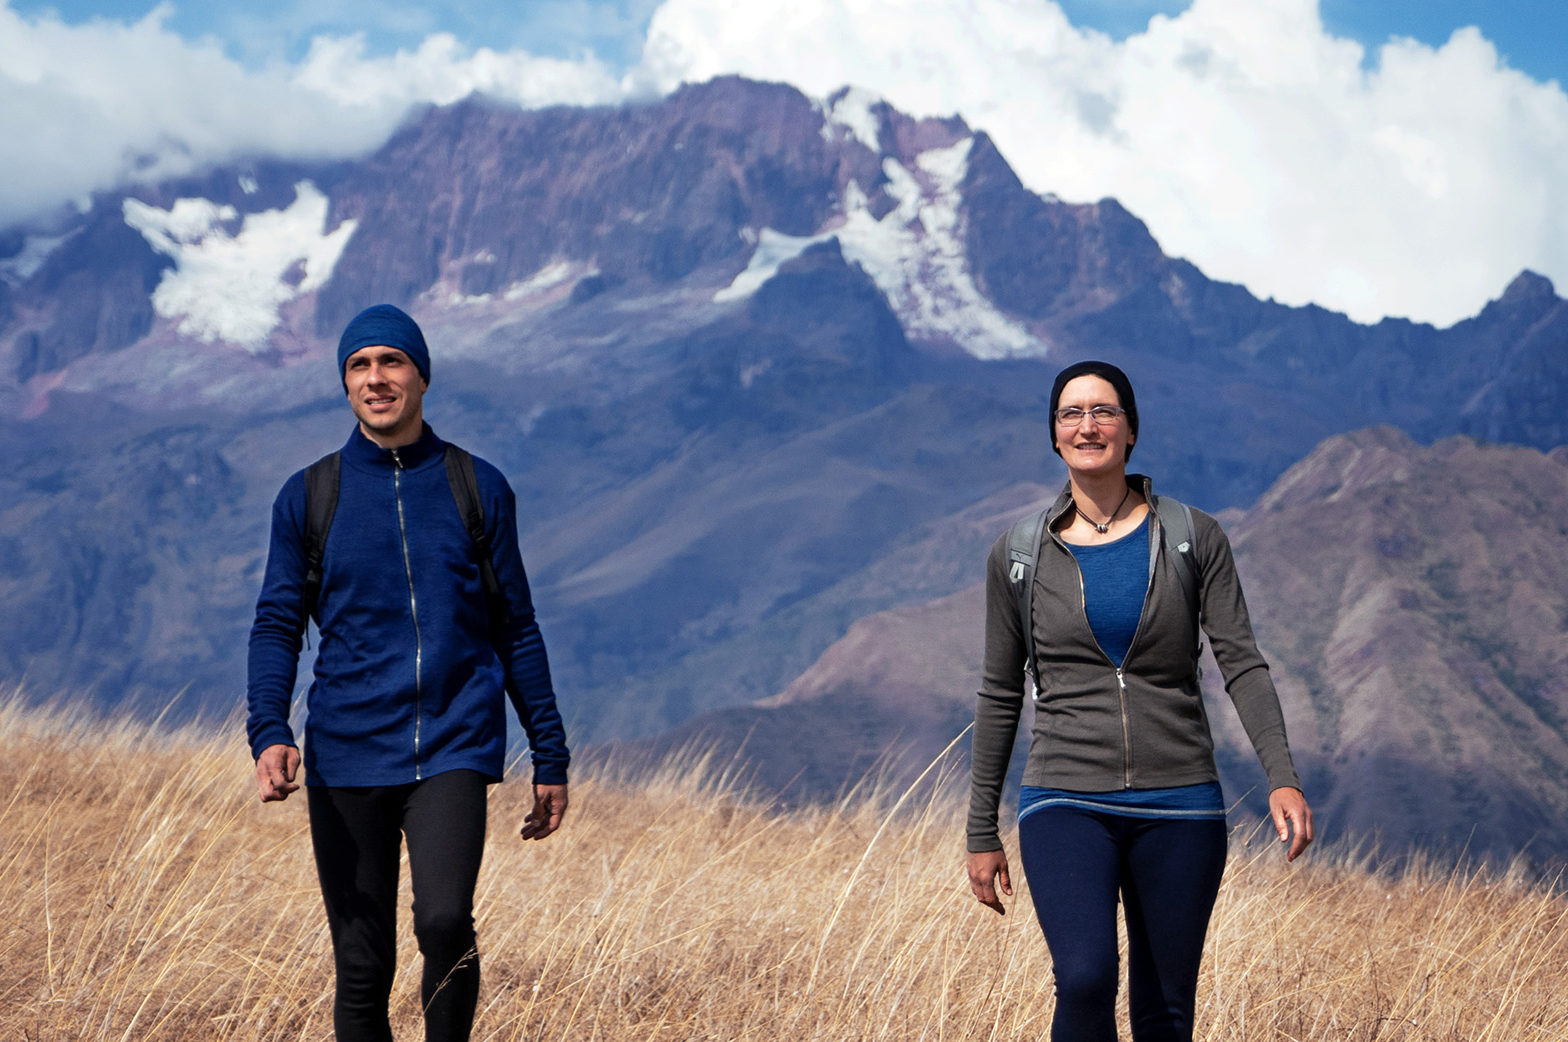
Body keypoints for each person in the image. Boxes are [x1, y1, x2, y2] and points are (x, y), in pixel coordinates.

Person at [246, 303, 570, 1042]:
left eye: (391, 362)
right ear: (345, 384)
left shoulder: (475, 487)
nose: (376, 378)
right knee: (363, 965)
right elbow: (276, 624)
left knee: (445, 919)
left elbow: (515, 625)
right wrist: (269, 728)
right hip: (348, 749)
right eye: (359, 366)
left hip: (453, 742)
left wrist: (548, 751)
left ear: (421, 377)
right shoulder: (310, 496)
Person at [964, 360, 1312, 1042]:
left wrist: (1282, 777)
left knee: (1164, 1010)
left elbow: (1239, 659)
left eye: (1104, 411)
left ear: (1130, 431)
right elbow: (1001, 691)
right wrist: (981, 830)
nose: (1087, 425)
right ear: (1054, 437)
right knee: (1087, 977)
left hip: (1180, 801)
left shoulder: (1192, 537)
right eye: (1071, 413)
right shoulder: (1018, 555)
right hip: (1065, 797)